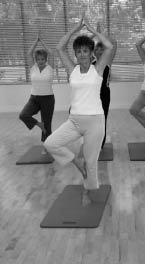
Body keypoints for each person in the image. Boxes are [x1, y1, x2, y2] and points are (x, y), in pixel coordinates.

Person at [44, 15, 113, 206]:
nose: (82, 54)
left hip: (94, 122)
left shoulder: (97, 69)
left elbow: (109, 47)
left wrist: (91, 29)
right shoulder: (72, 70)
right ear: (75, 53)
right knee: (50, 143)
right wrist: (76, 29)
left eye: (85, 51)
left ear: (91, 53)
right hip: (74, 121)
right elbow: (59, 47)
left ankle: (88, 192)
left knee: (91, 162)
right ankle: (76, 162)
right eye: (79, 51)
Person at [19, 31, 55, 145]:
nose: (40, 61)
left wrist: (42, 41)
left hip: (48, 99)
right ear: (36, 60)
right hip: (34, 98)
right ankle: (39, 124)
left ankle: (47, 145)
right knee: (23, 115)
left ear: (46, 59)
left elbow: (51, 52)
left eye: (42, 59)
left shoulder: (50, 67)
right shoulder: (33, 67)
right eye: (38, 59)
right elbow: (29, 53)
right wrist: (36, 41)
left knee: (47, 123)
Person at [93, 26, 117, 148]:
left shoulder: (108, 62)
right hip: (92, 95)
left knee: (103, 119)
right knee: (93, 119)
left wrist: (101, 34)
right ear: (94, 52)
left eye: (102, 49)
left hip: (104, 94)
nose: (99, 51)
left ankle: (100, 144)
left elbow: (114, 44)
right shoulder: (90, 64)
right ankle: (93, 141)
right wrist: (95, 34)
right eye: (97, 49)